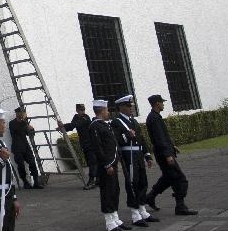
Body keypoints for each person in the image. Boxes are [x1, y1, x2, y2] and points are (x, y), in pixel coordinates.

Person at [144, 95, 197, 215]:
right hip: (164, 154)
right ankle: (180, 206)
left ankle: (150, 197)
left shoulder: (155, 117)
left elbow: (163, 136)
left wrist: (172, 146)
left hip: (163, 152)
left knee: (168, 178)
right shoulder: (154, 118)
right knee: (179, 178)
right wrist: (168, 154)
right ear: (157, 103)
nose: (163, 104)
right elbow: (159, 139)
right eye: (161, 102)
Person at [113, 95, 159, 227]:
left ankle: (142, 210)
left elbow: (141, 139)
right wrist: (127, 135)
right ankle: (135, 214)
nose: (131, 108)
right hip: (129, 156)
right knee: (133, 184)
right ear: (121, 108)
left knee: (142, 182)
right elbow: (117, 141)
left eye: (131, 106)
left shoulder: (133, 121)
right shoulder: (117, 122)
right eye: (128, 106)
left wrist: (147, 155)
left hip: (138, 154)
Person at [89, 99, 131, 231]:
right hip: (105, 165)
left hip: (113, 162)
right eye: (107, 110)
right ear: (102, 111)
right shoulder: (95, 126)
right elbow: (98, 147)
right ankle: (109, 222)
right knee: (107, 192)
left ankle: (115, 217)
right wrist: (107, 164)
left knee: (115, 190)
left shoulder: (105, 125)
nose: (108, 112)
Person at [58, 103, 99, 189]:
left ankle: (92, 180)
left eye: (83, 110)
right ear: (77, 110)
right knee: (90, 162)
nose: (82, 112)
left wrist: (63, 125)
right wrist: (62, 128)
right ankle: (97, 179)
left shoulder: (86, 118)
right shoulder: (76, 117)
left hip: (91, 143)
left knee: (92, 162)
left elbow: (76, 124)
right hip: (84, 144)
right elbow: (72, 126)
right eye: (80, 110)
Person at [9, 107, 43, 189]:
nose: (23, 114)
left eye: (23, 113)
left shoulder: (25, 123)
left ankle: (36, 183)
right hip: (17, 148)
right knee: (21, 165)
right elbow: (16, 130)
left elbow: (30, 134)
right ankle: (25, 182)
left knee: (32, 163)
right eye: (21, 113)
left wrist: (32, 129)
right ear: (17, 113)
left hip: (26, 146)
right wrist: (25, 124)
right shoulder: (12, 123)